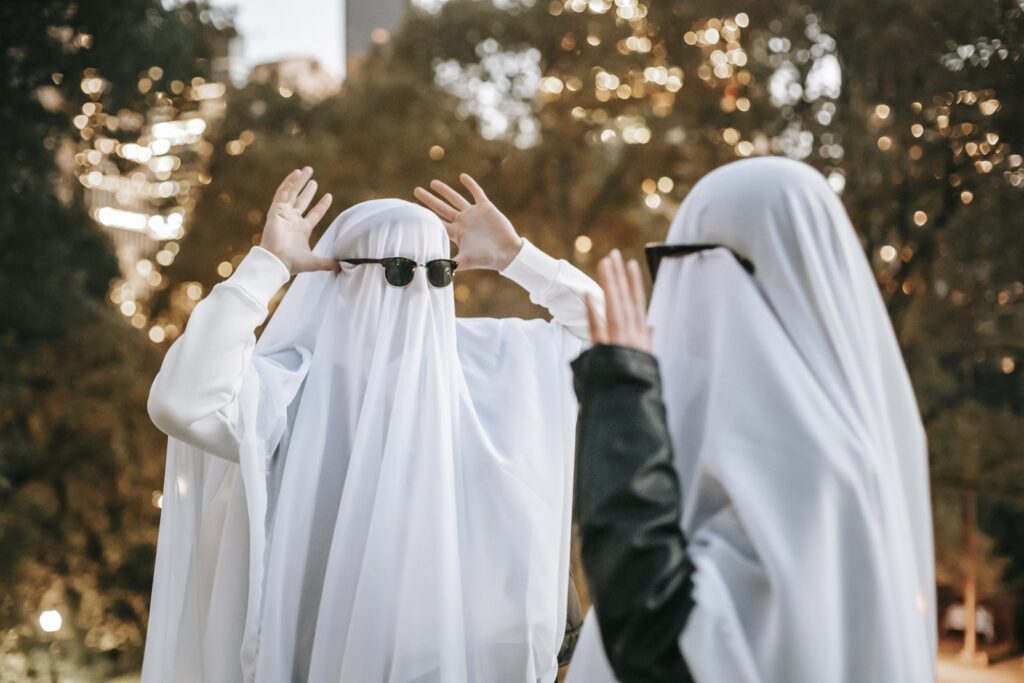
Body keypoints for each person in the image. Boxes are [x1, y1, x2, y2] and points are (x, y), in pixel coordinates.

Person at [142, 168, 602, 683]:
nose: (418, 291)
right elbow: (181, 402)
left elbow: (610, 340)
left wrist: (517, 257)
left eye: (439, 273)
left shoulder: (486, 365)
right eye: (400, 271)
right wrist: (267, 267)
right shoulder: (290, 390)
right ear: (337, 276)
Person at [566, 157, 937, 683]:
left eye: (674, 262)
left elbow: (660, 647)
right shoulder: (848, 444)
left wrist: (623, 400)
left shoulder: (801, 458)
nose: (669, 290)